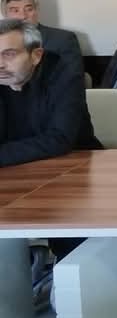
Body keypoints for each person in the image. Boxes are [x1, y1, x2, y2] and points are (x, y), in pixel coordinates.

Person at [0, 18, 99, 263]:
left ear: (36, 55)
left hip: (71, 174)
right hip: (12, 174)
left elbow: (59, 139)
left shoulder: (64, 73)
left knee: (71, 242)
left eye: (9, 54)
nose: (0, 64)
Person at [2, 0, 82, 78]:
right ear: (5, 15)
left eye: (29, 9)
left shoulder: (63, 39)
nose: (23, 16)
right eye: (15, 11)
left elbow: (71, 78)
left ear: (36, 11)